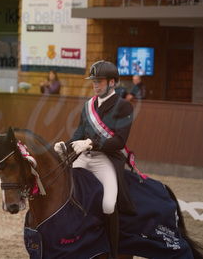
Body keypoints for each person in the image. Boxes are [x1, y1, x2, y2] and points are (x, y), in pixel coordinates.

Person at [54, 60, 135, 259]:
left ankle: (114, 251)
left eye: (99, 81)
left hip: (105, 160)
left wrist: (91, 144)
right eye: (94, 82)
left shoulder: (124, 107)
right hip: (83, 157)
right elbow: (79, 133)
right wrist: (66, 145)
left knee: (108, 204)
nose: (95, 85)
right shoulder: (88, 106)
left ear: (112, 83)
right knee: (61, 191)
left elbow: (118, 141)